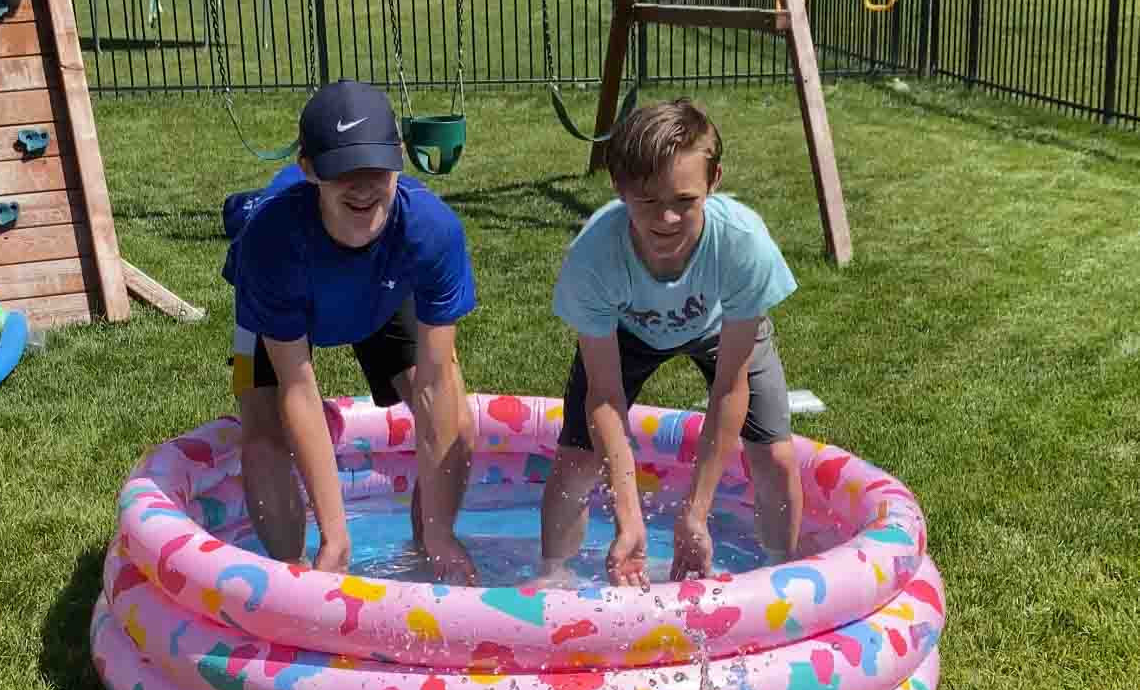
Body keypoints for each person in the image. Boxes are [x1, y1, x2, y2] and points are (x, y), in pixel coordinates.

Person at [223, 79, 478, 584]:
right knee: (262, 436)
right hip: (284, 291)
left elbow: (436, 383)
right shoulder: (269, 244)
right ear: (310, 170)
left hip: (382, 293)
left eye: (376, 167)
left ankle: (427, 552)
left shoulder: (430, 231)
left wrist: (442, 530)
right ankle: (291, 581)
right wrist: (335, 533)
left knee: (458, 418)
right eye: (343, 171)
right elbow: (299, 388)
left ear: (400, 160)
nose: (363, 186)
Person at [539, 98, 802, 587]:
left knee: (776, 457)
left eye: (685, 200)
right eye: (647, 201)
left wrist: (696, 513)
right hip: (627, 330)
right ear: (619, 188)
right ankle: (554, 580)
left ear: (713, 181)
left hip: (721, 326)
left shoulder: (743, 243)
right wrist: (628, 515)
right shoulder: (594, 257)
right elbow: (604, 395)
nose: (666, 219)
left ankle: (780, 577)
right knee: (576, 460)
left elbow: (729, 387)